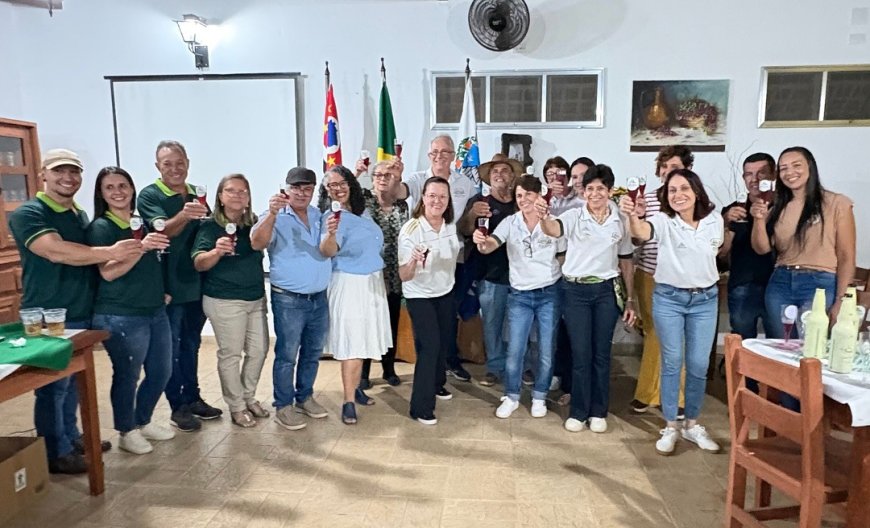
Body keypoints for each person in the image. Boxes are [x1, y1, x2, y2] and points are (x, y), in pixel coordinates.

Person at [9, 149, 143, 473]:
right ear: (43, 173)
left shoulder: (79, 215)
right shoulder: (29, 213)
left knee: (71, 382)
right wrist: (109, 251)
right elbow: (54, 250)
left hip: (82, 311)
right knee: (52, 386)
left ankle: (70, 437)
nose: (67, 178)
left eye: (74, 172)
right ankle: (56, 452)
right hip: (48, 316)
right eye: (59, 172)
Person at [620, 168, 723, 456]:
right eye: (672, 190)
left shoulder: (714, 220)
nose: (677, 195)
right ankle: (670, 427)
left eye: (683, 189)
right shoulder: (663, 220)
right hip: (669, 299)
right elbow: (641, 232)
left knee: (699, 365)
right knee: (672, 361)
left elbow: (713, 253)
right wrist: (632, 215)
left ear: (696, 192)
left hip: (705, 300)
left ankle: (691, 424)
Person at [365, 135, 476, 382]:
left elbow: (466, 220)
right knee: (426, 329)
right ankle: (426, 371)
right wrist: (394, 176)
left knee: (447, 319)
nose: (439, 156)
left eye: (445, 151)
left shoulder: (465, 183)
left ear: (452, 155)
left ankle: (447, 365)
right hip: (420, 258)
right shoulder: (416, 179)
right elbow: (395, 194)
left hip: (450, 257)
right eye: (434, 151)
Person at [539, 165, 636, 432]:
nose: (595, 194)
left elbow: (626, 261)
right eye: (590, 188)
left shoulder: (620, 220)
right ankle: (579, 412)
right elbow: (553, 230)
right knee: (581, 354)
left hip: (606, 291)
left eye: (600, 189)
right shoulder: (573, 216)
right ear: (583, 191)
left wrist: (630, 300)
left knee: (601, 353)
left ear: (610, 191)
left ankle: (598, 411)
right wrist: (544, 216)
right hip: (575, 293)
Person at [137, 140, 222, 432]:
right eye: (167, 163)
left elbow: (207, 231)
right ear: (157, 167)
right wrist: (185, 214)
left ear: (187, 162)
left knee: (192, 345)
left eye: (179, 162)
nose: (174, 169)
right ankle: (178, 407)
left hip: (196, 283)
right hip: (168, 286)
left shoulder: (198, 194)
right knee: (169, 349)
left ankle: (193, 397)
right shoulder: (149, 195)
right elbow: (163, 230)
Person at [88, 167, 174, 454]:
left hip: (154, 309)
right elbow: (108, 273)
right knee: (127, 374)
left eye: (123, 185)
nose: (118, 192)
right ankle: (126, 430)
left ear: (132, 188)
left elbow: (150, 262)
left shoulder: (141, 222)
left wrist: (159, 289)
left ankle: (143, 419)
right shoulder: (102, 227)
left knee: (162, 370)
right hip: (121, 314)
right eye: (110, 187)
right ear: (101, 193)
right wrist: (141, 247)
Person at [474, 175, 564, 418]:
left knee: (545, 348)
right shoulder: (510, 222)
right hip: (520, 295)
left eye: (529, 195)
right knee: (515, 348)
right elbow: (492, 243)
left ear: (539, 196)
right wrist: (481, 242)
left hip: (549, 292)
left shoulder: (554, 222)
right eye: (519, 196)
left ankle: (539, 396)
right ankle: (512, 395)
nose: (524, 200)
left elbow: (563, 254)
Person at [251, 167, 331, 431]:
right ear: (285, 189)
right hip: (289, 300)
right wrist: (272, 214)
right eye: (296, 188)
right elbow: (257, 242)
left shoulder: (320, 215)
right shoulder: (274, 216)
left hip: (319, 298)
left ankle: (304, 397)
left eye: (307, 188)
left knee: (313, 353)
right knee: (287, 354)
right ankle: (283, 405)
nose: (301, 193)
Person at [192, 174, 269, 428]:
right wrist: (216, 251)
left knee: (259, 351)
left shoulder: (254, 223)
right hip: (224, 300)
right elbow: (199, 262)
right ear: (220, 196)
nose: (237, 195)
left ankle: (248, 396)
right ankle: (236, 406)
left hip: (255, 298)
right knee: (231, 355)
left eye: (243, 191)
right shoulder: (210, 226)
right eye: (231, 191)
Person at [318, 165, 393, 424]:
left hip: (371, 281)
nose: (337, 189)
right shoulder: (330, 217)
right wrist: (330, 232)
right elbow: (328, 251)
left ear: (350, 184)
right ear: (326, 191)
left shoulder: (362, 212)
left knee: (364, 339)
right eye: (331, 186)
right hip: (349, 283)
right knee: (352, 342)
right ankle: (348, 401)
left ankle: (357, 389)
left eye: (342, 183)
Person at [751, 146, 856, 331]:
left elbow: (846, 256)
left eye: (796, 165)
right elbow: (762, 249)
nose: (790, 172)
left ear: (810, 167)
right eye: (783, 168)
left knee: (811, 348)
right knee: (779, 346)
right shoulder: (778, 206)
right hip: (780, 282)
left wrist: (841, 301)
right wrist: (758, 220)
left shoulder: (837, 203)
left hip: (820, 284)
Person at [630, 145, 693, 416]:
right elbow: (635, 240)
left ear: (687, 169)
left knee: (676, 337)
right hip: (649, 274)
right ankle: (647, 393)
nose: (668, 172)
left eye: (674, 167)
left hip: (681, 277)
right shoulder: (649, 199)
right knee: (653, 334)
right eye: (664, 167)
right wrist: (639, 215)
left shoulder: (693, 200)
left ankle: (676, 398)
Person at [398, 177, 462, 425]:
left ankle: (437, 385)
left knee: (444, 342)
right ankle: (420, 407)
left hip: (445, 292)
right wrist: (413, 260)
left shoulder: (450, 226)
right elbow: (404, 274)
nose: (437, 201)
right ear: (423, 198)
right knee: (429, 348)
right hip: (419, 295)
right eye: (432, 195)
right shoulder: (412, 230)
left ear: (448, 201)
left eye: (442, 196)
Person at [457, 153, 522, 386]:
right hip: (490, 275)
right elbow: (464, 230)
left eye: (504, 171)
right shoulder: (479, 201)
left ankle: (519, 367)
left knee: (519, 327)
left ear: (513, 176)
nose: (499, 175)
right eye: (495, 172)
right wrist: (473, 214)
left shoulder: (520, 201)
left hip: (520, 276)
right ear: (488, 178)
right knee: (492, 326)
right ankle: (494, 367)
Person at [358, 160, 408, 389]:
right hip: (370, 275)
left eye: (388, 175)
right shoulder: (364, 203)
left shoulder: (403, 206)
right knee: (368, 323)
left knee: (391, 323)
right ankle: (364, 372)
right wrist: (357, 170)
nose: (382, 178)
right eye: (378, 174)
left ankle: (389, 369)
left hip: (394, 275)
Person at [719, 153, 776, 340]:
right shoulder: (734, 210)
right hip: (742, 285)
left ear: (773, 175)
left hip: (778, 286)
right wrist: (725, 222)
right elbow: (721, 253)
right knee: (742, 344)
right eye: (748, 174)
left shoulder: (785, 208)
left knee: (780, 343)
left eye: (762, 173)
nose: (755, 179)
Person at [552, 156, 594, 402]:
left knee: (583, 339)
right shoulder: (561, 203)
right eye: (574, 176)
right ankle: (564, 380)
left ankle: (579, 388)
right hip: (562, 276)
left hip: (590, 279)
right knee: (564, 333)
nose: (578, 181)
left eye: (583, 176)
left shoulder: (600, 205)